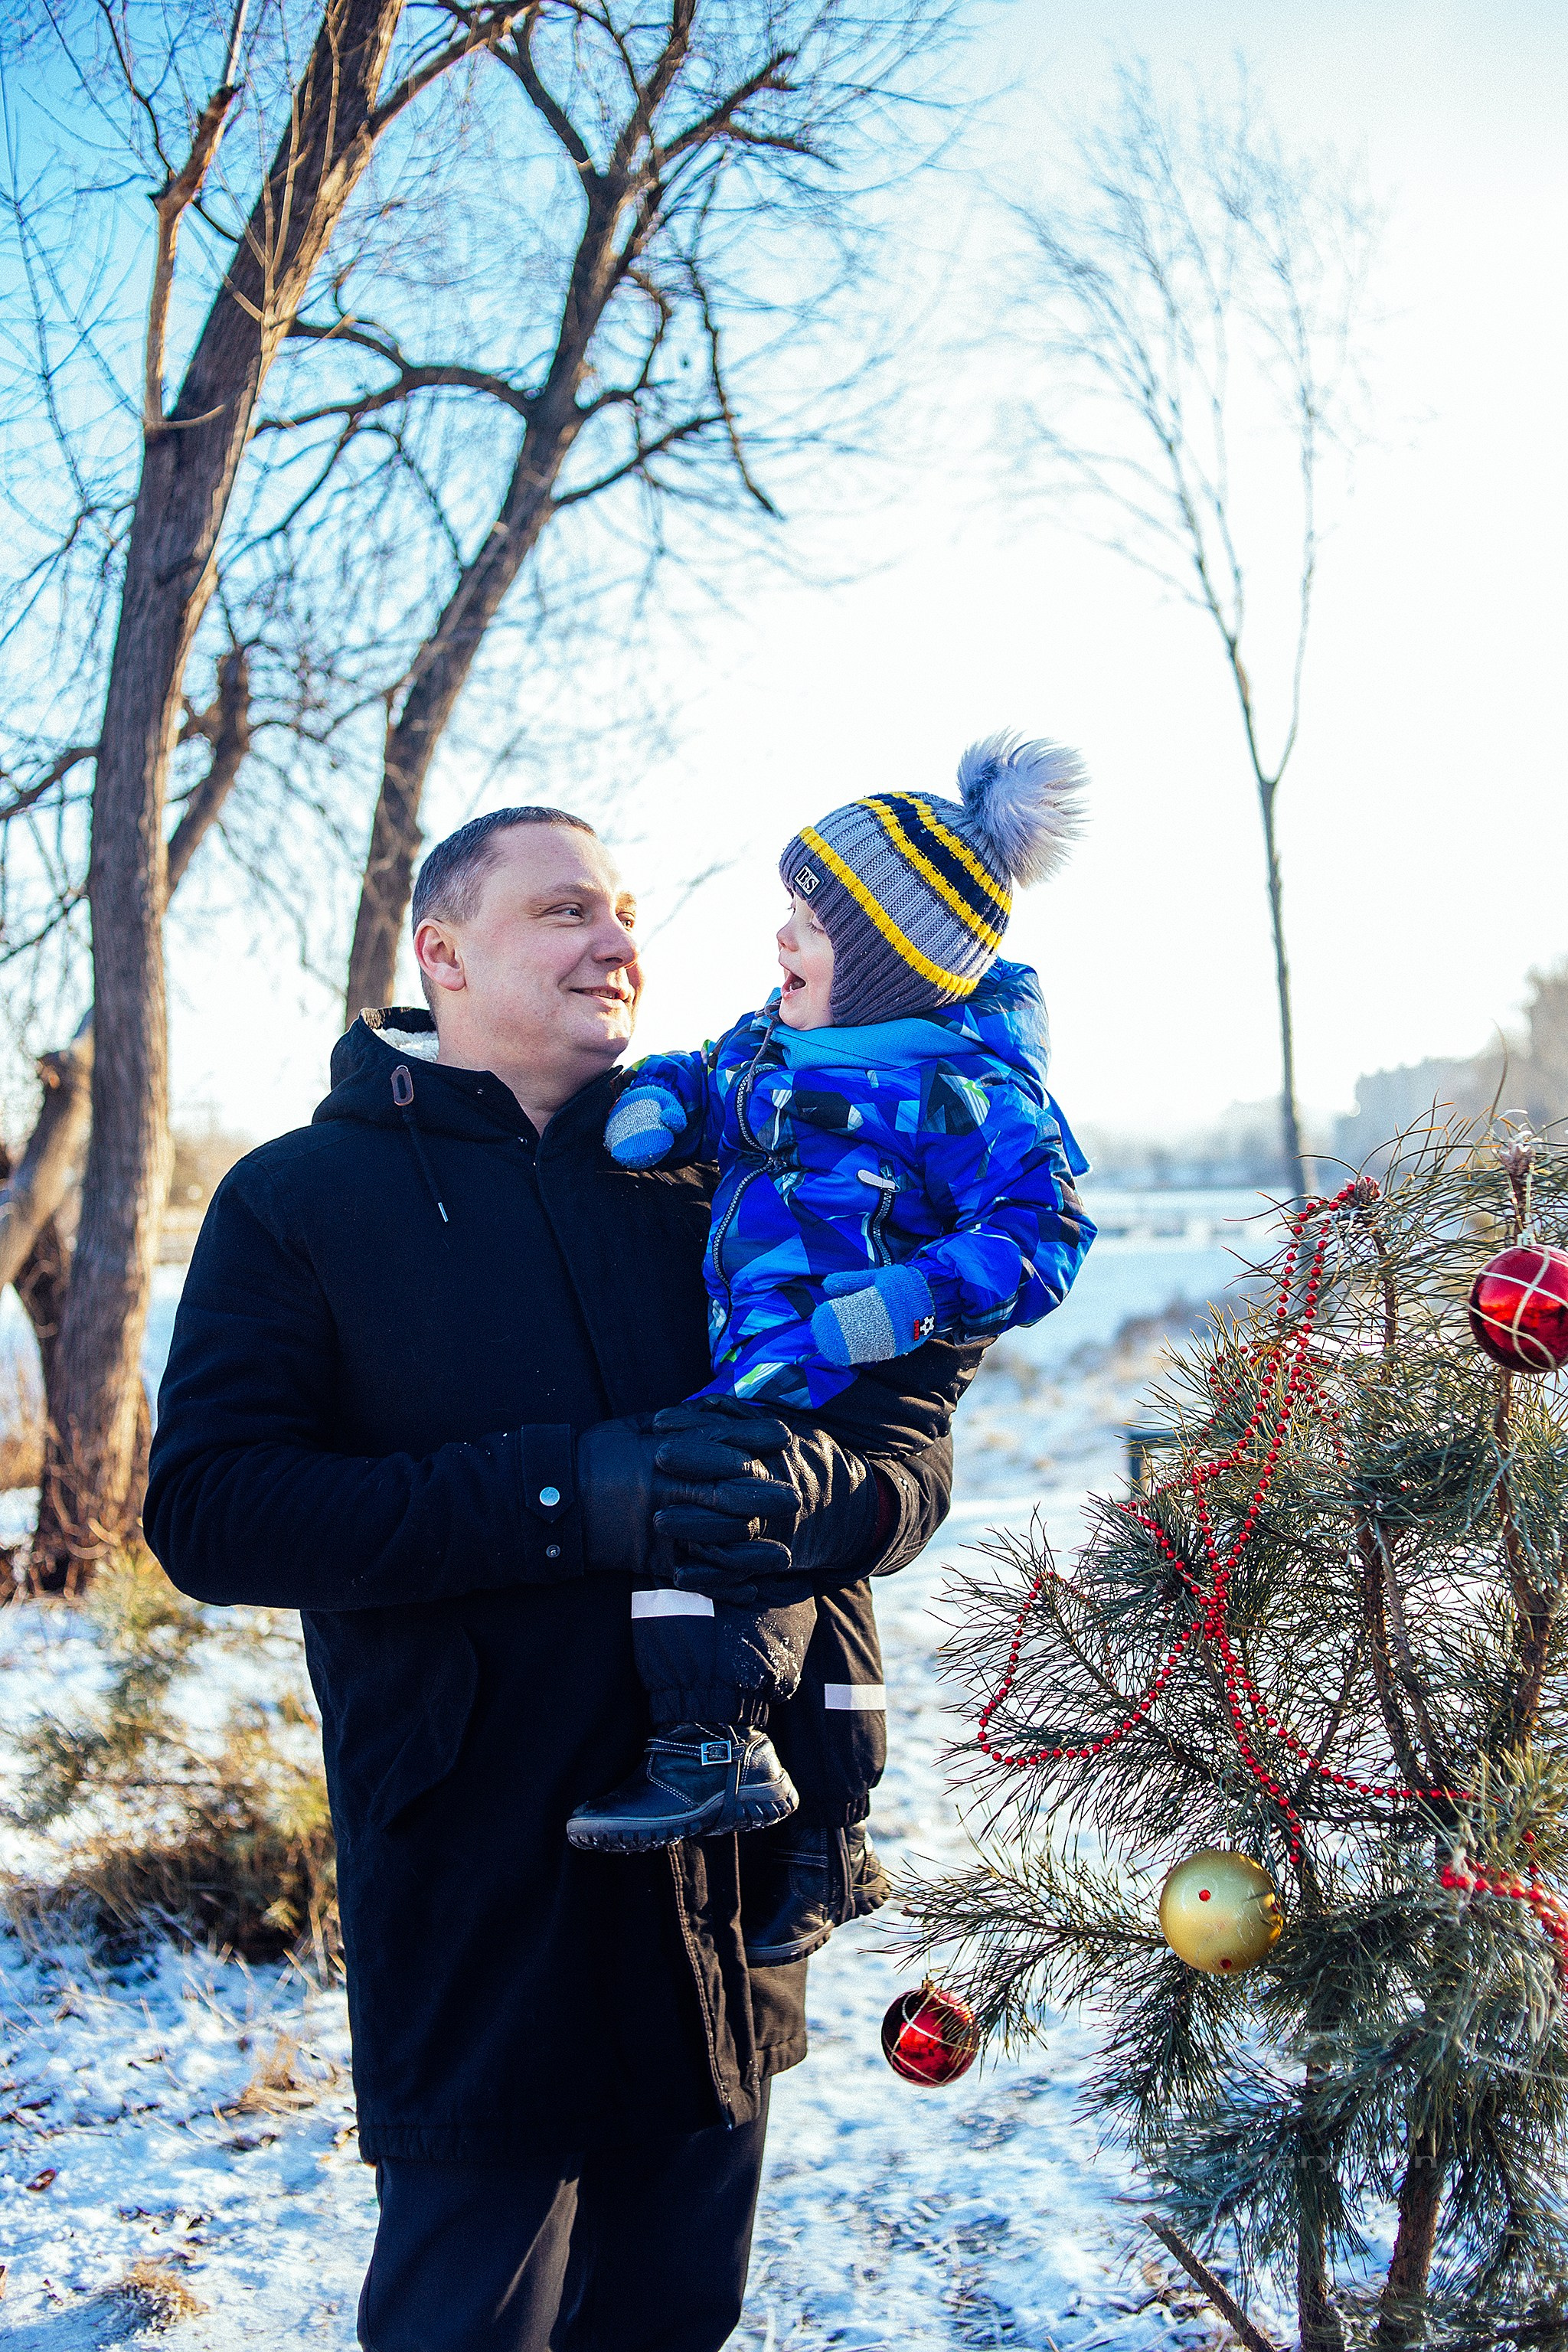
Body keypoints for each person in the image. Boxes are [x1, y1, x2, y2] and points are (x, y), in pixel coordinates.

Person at [144, 805, 981, 2352]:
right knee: (476, 2317)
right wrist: (562, 1494)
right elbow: (211, 1510)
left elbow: (906, 1454)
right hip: (478, 1867)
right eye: (566, 911)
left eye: (627, 915)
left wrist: (825, 1487)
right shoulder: (299, 1202)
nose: (619, 944)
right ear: (441, 952)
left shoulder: (729, 1177)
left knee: (673, 2315)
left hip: (729, 1866)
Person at [565, 736, 1096, 1975]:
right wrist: (662, 1109)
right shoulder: (772, 1042)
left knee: (726, 1514)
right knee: (808, 1566)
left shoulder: (965, 1091)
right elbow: (710, 1081)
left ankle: (715, 1751)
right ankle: (829, 1840)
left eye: (808, 922)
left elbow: (1045, 1234)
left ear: (887, 958)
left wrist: (908, 1300)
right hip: (759, 1339)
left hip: (845, 1358)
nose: (780, 941)